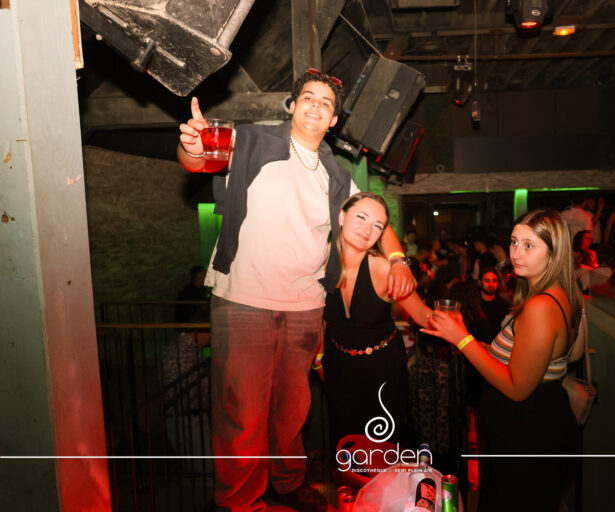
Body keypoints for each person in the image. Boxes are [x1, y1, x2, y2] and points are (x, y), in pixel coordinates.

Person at [177, 70, 414, 512]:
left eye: (326, 103)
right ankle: (239, 502)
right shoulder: (253, 140)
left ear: (333, 120)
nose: (315, 106)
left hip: (306, 306)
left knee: (291, 410)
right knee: (241, 411)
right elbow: (200, 161)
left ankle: (288, 484)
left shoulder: (337, 174)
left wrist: (399, 259)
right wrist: (192, 146)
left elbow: (374, 219)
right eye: (308, 97)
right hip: (244, 299)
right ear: (293, 105)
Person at [422, 209, 585, 511]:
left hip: (530, 435)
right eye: (514, 242)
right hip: (526, 430)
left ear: (554, 253)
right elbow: (527, 356)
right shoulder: (554, 291)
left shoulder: (542, 305)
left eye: (529, 245)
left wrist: (463, 340)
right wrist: (471, 339)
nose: (516, 254)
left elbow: (517, 387)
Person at [321, 192, 432, 453]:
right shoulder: (318, 262)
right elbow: (318, 320)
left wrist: (465, 335)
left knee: (385, 448)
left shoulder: (382, 267)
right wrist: (318, 359)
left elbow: (422, 316)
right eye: (361, 217)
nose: (368, 229)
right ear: (341, 217)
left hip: (383, 369)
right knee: (345, 447)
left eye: (377, 225)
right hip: (338, 366)